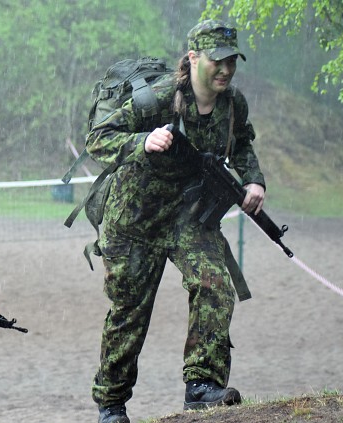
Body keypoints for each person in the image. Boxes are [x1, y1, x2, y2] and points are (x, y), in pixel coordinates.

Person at [86, 20, 266, 422]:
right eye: (217, 61)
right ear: (193, 58)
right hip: (134, 220)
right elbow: (98, 138)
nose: (225, 70)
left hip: (189, 217)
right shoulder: (157, 99)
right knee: (130, 312)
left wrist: (254, 179)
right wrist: (141, 141)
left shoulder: (232, 104)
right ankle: (112, 404)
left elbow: (242, 143)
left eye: (231, 61)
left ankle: (202, 385)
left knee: (214, 284)